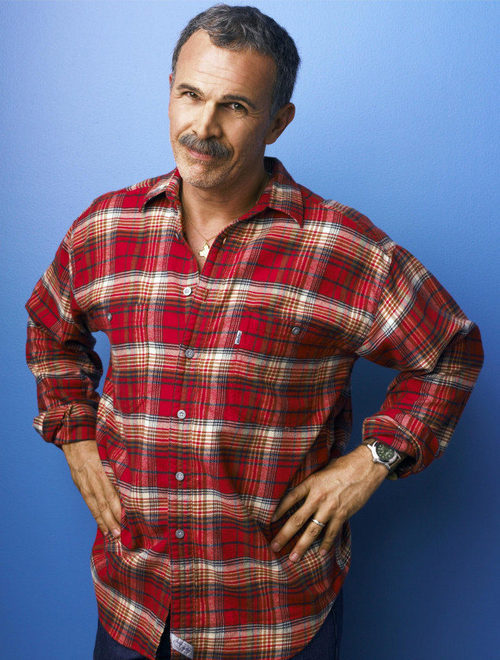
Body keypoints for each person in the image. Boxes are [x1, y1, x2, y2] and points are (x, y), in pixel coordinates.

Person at [25, 5, 483, 660]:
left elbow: (449, 353)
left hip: (273, 615)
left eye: (234, 106)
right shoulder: (104, 229)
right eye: (190, 95)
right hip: (134, 604)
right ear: (170, 89)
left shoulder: (340, 248)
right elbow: (51, 327)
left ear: (278, 121)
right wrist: (74, 435)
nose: (203, 128)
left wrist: (373, 460)